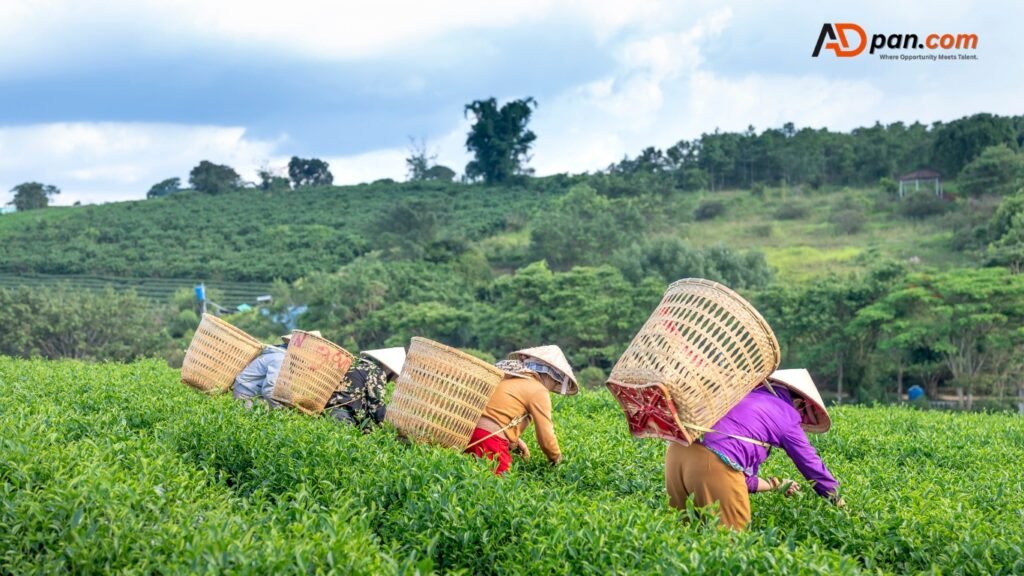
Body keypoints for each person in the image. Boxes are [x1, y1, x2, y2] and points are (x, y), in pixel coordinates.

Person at [664, 369, 844, 531]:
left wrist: (776, 484)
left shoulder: (741, 397)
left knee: (686, 533)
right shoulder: (786, 414)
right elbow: (810, 464)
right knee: (732, 545)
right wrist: (838, 501)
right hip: (712, 462)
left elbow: (739, 480)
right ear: (798, 402)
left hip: (677, 453)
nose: (800, 420)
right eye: (802, 413)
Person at [465, 346, 577, 475]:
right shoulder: (538, 389)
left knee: (472, 480)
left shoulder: (510, 380)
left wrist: (515, 441)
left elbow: (497, 415)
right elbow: (546, 437)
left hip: (469, 434)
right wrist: (557, 460)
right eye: (555, 382)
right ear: (549, 376)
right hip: (490, 441)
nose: (552, 387)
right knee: (497, 489)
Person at [233, 331, 322, 408]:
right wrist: (281, 410)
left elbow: (280, 386)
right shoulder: (281, 359)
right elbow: (269, 390)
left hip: (255, 392)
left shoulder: (284, 357)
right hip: (246, 392)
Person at [324, 347, 406, 430]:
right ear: (389, 369)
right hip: (344, 416)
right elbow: (376, 405)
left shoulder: (355, 364)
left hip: (326, 411)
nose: (392, 379)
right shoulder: (375, 371)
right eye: (395, 375)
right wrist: (390, 427)